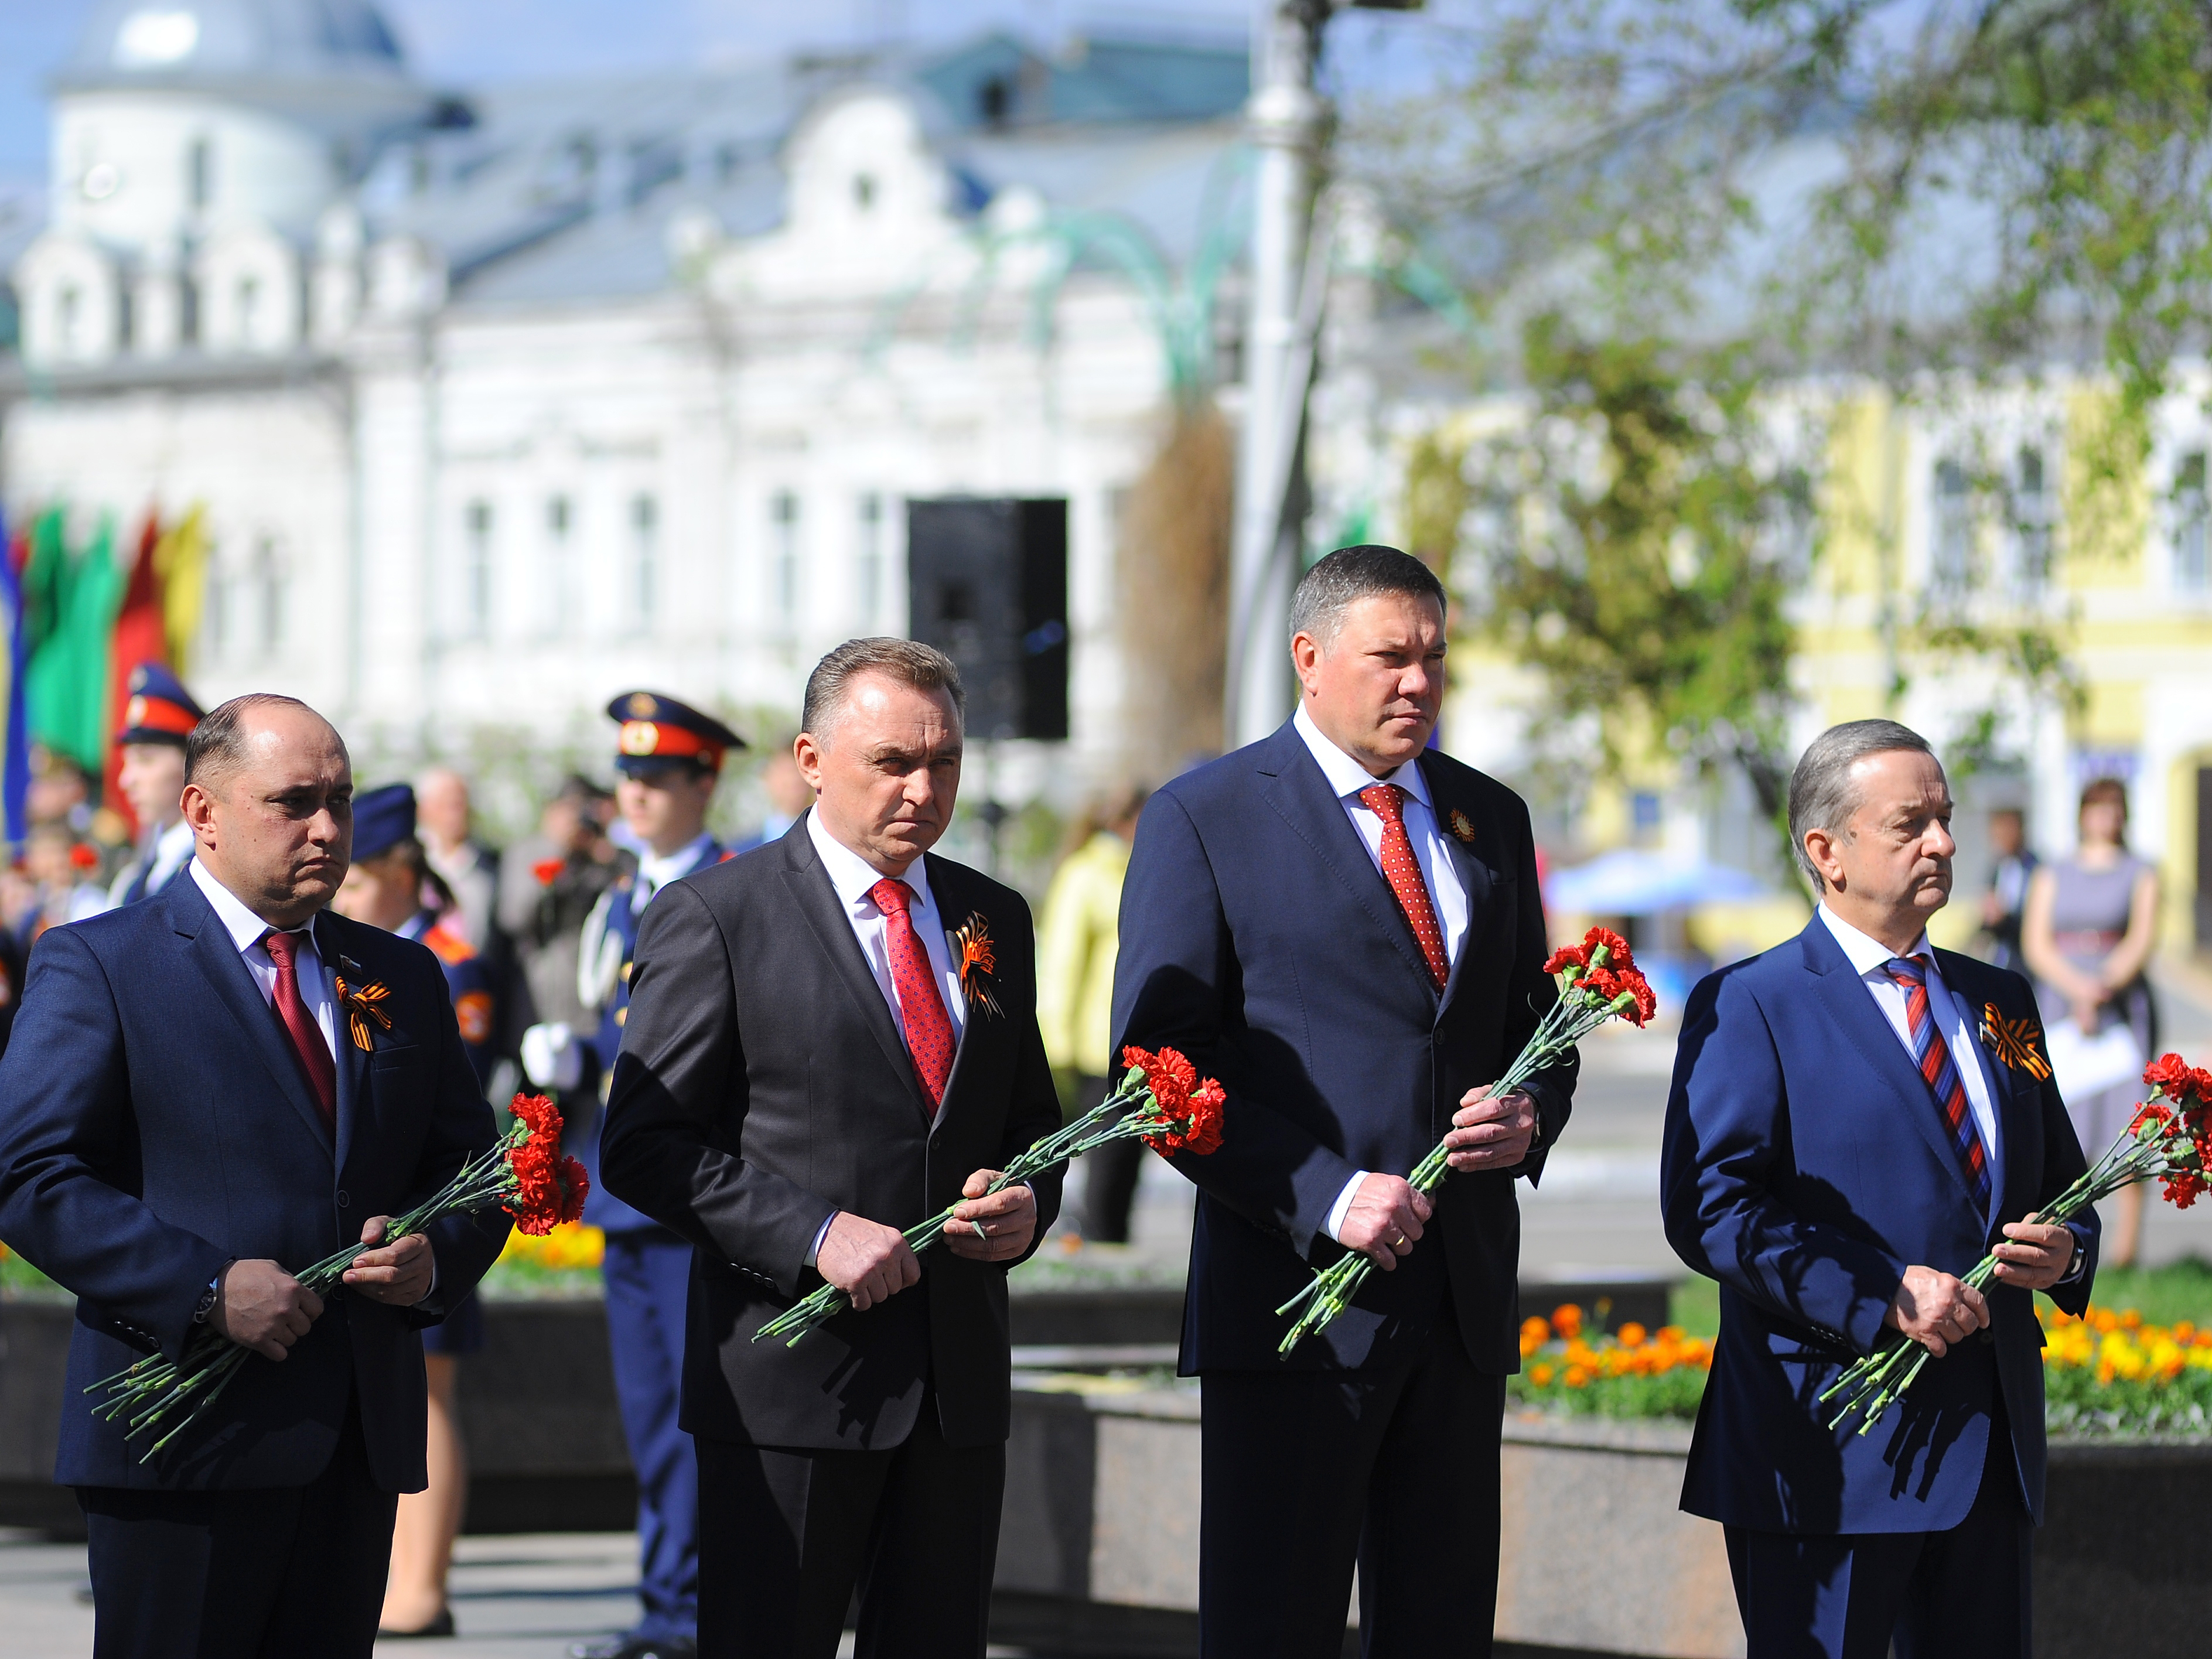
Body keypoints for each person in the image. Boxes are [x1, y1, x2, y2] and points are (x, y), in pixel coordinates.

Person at [1112, 546, 1573, 1658]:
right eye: (1390, 657)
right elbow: (1159, 1069)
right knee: (1278, 1623)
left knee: (1443, 1622)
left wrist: (1530, 1117)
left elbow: (1534, 1022)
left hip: (1457, 1305)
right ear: (1310, 659)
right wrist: (1324, 1194)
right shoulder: (1206, 816)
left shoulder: (1487, 817)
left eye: (1435, 657)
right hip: (1296, 1305)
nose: (1418, 681)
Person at [0, 693, 509, 1659]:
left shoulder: (399, 973)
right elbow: (28, 1171)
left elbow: (470, 1168)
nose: (327, 828)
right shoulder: (103, 963)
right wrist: (201, 1287)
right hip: (186, 1440)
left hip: (353, 1443)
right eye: (294, 801)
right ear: (202, 811)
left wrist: (430, 1259)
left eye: (342, 801)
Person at [599, 639, 1065, 1659]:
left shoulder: (996, 915)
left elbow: (1028, 1120)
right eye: (891, 762)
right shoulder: (718, 917)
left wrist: (1030, 1201)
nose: (921, 787)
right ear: (811, 758)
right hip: (793, 1386)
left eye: (943, 761)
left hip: (955, 1391)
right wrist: (811, 1231)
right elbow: (643, 1145)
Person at [1661, 719, 2096, 1659]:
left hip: (1990, 1457)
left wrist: (2070, 1253)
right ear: (1828, 851)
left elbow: (2065, 1184)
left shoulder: (2000, 999)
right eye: (1912, 824)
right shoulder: (1752, 1004)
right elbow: (1712, 1210)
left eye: (1945, 818)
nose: (1943, 841)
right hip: (1830, 1455)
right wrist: (1878, 1290)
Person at [523, 694, 744, 1659]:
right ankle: (669, 1601)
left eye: (658, 779)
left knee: (699, 1416)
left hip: (699, 1192)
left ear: (707, 783)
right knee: (652, 1414)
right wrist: (570, 1063)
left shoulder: (739, 888)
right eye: (628, 778)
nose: (637, 795)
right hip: (622, 1190)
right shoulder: (617, 898)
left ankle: (694, 1607)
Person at [334, 783, 500, 1640]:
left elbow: (443, 1112)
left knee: (431, 1395)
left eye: (361, 882)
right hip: (372, 1227)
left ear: (402, 873)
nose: (345, 897)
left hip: (426, 1218)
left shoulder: (444, 958)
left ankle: (423, 1582)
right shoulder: (352, 958)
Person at [2020, 776, 2160, 1265]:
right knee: (2064, 1122)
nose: (2106, 817)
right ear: (2083, 813)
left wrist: (2102, 987)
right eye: (2098, 808)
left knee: (2130, 1119)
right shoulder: (2053, 873)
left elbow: (2141, 938)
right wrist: (2077, 989)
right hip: (2062, 1003)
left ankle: (2126, 1249)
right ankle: (2063, 1240)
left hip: (2119, 1006)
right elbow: (2036, 943)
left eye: (2114, 808)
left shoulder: (2140, 872)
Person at [1036, 783, 1150, 1242]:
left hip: (1139, 1045)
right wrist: (1056, 1041)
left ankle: (1112, 1240)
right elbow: (1062, 959)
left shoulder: (1146, 869)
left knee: (1126, 1158)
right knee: (1106, 1159)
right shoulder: (1086, 873)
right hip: (1097, 1047)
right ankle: (1100, 1244)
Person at [108, 663, 205, 908]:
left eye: (145, 760)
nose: (126, 781)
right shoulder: (139, 875)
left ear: (191, 763)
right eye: (126, 763)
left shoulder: (210, 872)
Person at [415, 767, 501, 954]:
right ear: (424, 810)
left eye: (462, 803)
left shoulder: (491, 865)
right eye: (449, 804)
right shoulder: (411, 864)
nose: (458, 812)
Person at [1977, 806, 2036, 974]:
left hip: (2027, 964)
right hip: (2002, 960)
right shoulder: (1997, 869)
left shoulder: (2037, 871)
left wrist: (2004, 919)